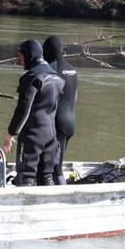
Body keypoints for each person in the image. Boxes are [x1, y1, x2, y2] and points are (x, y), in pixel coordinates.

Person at [4, 39, 64, 186]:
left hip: (32, 136)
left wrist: (10, 134)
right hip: (51, 135)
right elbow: (54, 109)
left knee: (26, 177)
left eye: (20, 55)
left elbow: (23, 110)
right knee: (46, 176)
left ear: (29, 55)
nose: (18, 60)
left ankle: (23, 208)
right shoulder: (57, 77)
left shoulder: (32, 77)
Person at [43, 35, 78, 185]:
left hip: (57, 125)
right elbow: (75, 97)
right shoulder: (73, 69)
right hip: (70, 122)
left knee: (54, 169)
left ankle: (58, 199)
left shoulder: (51, 68)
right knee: (56, 165)